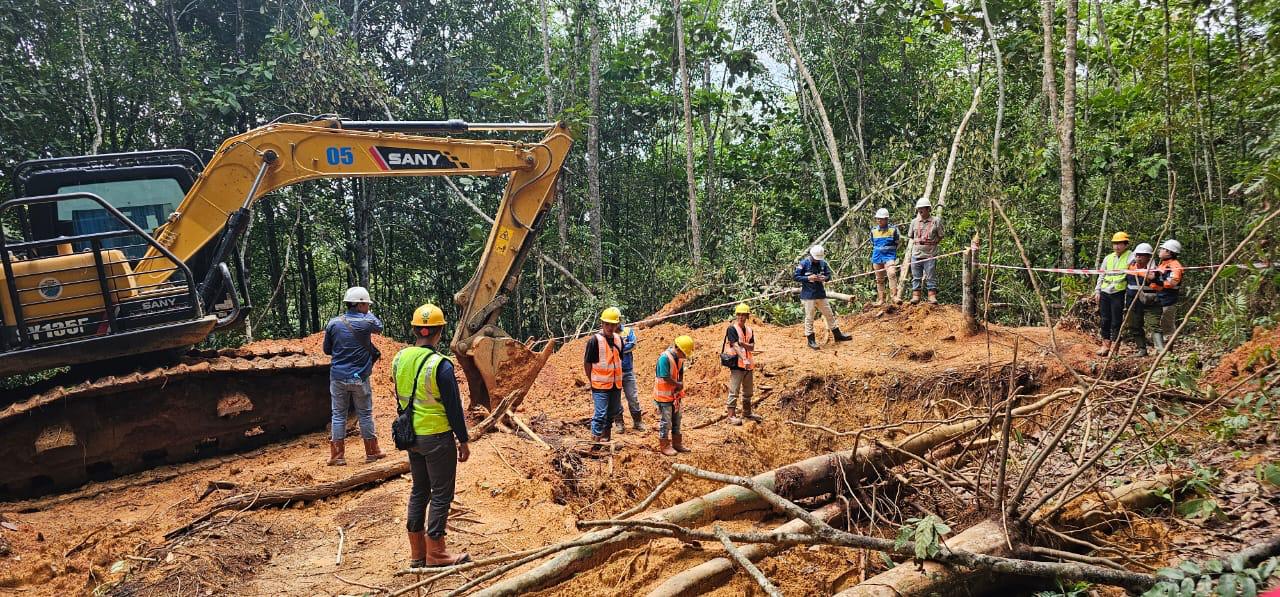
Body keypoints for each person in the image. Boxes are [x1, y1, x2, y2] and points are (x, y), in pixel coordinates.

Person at [392, 303, 471, 568]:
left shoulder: (399, 358)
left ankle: (417, 553)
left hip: (411, 438)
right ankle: (436, 552)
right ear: (439, 333)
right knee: (441, 493)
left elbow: (400, 398)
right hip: (437, 438)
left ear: (415, 329)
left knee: (419, 490)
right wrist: (463, 439)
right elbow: (453, 407)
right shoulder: (441, 365)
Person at [322, 286, 385, 466]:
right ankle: (372, 452)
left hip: (338, 377)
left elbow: (327, 349)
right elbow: (379, 326)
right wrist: (369, 313)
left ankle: (337, 456)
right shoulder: (367, 322)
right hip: (360, 377)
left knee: (338, 415)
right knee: (365, 414)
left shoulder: (333, 323)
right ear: (359, 305)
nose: (368, 307)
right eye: (366, 304)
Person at [794, 244, 851, 350]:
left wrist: (824, 278)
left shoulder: (823, 263)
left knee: (829, 314)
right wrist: (808, 278)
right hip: (808, 295)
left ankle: (837, 335)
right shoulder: (803, 263)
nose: (816, 261)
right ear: (811, 255)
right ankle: (811, 340)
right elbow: (796, 277)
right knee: (810, 317)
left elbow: (828, 275)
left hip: (820, 293)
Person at [584, 307, 625, 450]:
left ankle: (606, 439)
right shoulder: (594, 341)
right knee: (600, 414)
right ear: (602, 324)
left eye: (613, 324)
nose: (610, 327)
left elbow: (619, 360)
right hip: (600, 385)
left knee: (611, 413)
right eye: (607, 324)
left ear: (617, 325)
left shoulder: (619, 340)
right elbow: (587, 363)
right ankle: (595, 444)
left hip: (615, 385)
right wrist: (592, 380)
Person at [655, 335, 695, 456]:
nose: (685, 356)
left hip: (674, 395)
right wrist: (677, 384)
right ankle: (664, 445)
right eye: (684, 353)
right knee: (666, 421)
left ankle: (677, 443)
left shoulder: (679, 358)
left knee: (677, 419)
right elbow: (665, 377)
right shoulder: (664, 358)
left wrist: (679, 384)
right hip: (663, 396)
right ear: (678, 349)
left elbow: (680, 372)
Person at [723, 303, 762, 426]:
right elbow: (734, 344)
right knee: (734, 390)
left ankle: (747, 412)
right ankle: (731, 416)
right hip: (737, 364)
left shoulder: (749, 330)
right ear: (736, 316)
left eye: (743, 315)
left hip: (748, 364)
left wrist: (743, 345)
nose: (741, 317)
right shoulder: (732, 329)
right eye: (739, 314)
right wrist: (744, 358)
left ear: (747, 316)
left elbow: (751, 347)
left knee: (748, 390)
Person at [1094, 232, 1132, 356]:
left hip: (1119, 292)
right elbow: (1101, 273)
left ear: (1125, 244)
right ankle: (1105, 345)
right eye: (1115, 243)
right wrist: (1097, 290)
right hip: (1105, 291)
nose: (1116, 246)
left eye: (1119, 243)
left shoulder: (1130, 257)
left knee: (1116, 321)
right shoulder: (1108, 258)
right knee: (1105, 320)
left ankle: (1114, 348)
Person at [1148, 240, 1185, 353]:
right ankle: (1160, 350)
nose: (1160, 251)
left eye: (1162, 249)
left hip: (1168, 300)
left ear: (1169, 252)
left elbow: (1173, 282)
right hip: (1159, 299)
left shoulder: (1175, 265)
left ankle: (1168, 352)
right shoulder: (1163, 264)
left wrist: (1159, 284)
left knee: (1167, 327)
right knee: (1156, 325)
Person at [907, 197, 945, 304]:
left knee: (930, 275)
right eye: (919, 209)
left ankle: (932, 296)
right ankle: (916, 296)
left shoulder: (936, 221)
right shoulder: (914, 222)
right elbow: (911, 236)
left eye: (923, 208)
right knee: (916, 276)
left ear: (928, 209)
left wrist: (932, 244)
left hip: (930, 254)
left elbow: (941, 235)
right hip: (916, 254)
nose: (920, 211)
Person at [1125, 243, 1157, 356]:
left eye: (1142, 255)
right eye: (1137, 255)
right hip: (1133, 299)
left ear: (1148, 257)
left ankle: (1161, 350)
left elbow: (1153, 277)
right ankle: (1142, 349)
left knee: (1154, 325)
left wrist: (1140, 272)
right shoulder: (1130, 265)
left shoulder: (1153, 268)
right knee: (1135, 324)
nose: (1138, 257)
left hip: (1150, 300)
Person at [613, 323, 645, 434]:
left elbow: (633, 344)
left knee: (632, 397)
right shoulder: (607, 333)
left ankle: (638, 421)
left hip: (627, 370)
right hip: (613, 372)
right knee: (615, 399)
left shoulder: (627, 331)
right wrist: (623, 345)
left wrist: (617, 348)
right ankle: (619, 423)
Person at [870, 208, 902, 305]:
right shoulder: (873, 231)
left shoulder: (893, 230)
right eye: (878, 218)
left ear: (886, 219)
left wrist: (891, 251)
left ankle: (894, 297)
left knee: (892, 273)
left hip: (889, 256)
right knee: (879, 279)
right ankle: (881, 300)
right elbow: (872, 242)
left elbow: (898, 242)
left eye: (881, 218)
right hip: (877, 257)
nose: (879, 220)